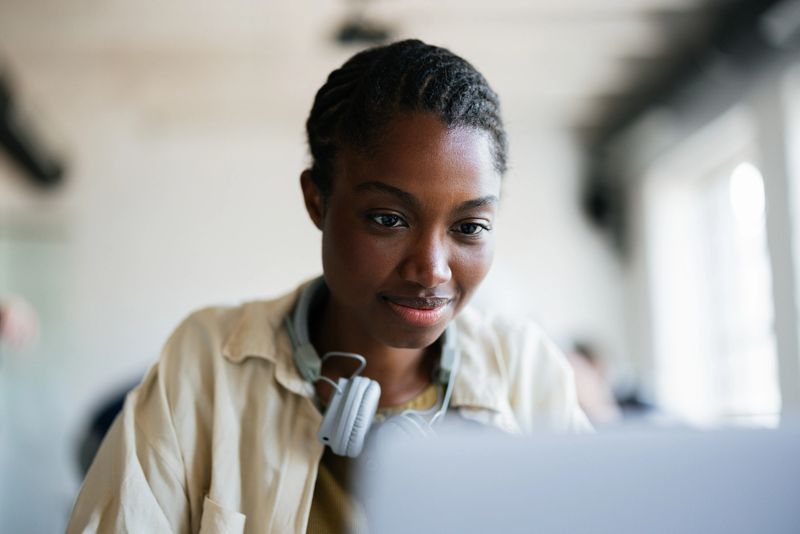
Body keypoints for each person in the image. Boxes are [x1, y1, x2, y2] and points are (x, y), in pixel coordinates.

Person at [67, 39, 589, 534]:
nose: (431, 270)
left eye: (469, 227)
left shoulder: (527, 371)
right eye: (388, 219)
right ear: (317, 200)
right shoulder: (209, 364)